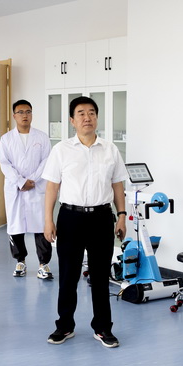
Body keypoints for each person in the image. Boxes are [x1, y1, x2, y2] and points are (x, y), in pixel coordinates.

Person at [43, 96, 128, 348]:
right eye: (81, 113)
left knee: (100, 276)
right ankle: (64, 326)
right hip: (70, 217)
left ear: (97, 118)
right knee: (68, 276)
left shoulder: (110, 149)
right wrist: (48, 220)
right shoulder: (61, 150)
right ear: (72, 120)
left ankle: (103, 328)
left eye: (91, 113)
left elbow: (118, 186)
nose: (87, 117)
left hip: (102, 218)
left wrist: (121, 216)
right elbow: (51, 188)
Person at [0, 99, 53, 279]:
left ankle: (43, 264)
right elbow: (4, 163)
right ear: (14, 116)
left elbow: (47, 161)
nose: (25, 115)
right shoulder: (6, 139)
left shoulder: (42, 137)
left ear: (32, 115)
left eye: (28, 112)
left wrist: (33, 180)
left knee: (41, 225)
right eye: (21, 112)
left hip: (37, 187)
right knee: (16, 225)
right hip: (16, 188)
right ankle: (20, 261)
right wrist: (20, 182)